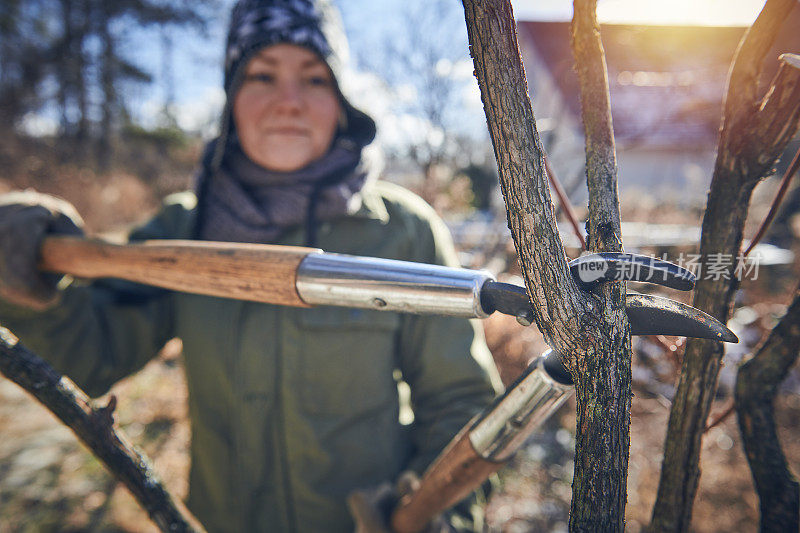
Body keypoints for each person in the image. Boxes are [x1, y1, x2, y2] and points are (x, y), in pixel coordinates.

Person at [0, 1, 499, 531]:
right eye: (262, 75)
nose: (289, 102)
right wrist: (25, 280)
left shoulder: (402, 231)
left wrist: (435, 510)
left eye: (313, 78)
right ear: (232, 97)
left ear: (342, 100)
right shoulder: (182, 231)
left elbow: (460, 399)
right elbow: (91, 354)